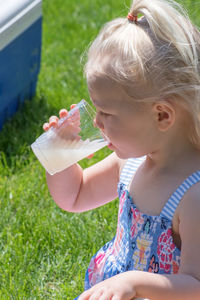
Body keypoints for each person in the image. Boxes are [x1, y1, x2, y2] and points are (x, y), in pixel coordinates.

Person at [43, 0, 200, 299]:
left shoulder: (193, 196)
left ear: (162, 115)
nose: (96, 122)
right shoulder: (128, 163)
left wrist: (135, 283)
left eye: (107, 113)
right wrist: (60, 154)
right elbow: (74, 195)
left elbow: (196, 284)